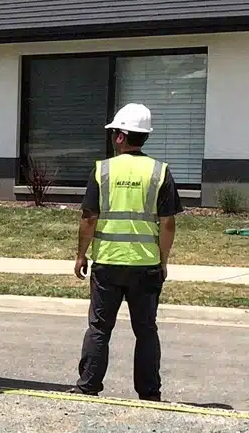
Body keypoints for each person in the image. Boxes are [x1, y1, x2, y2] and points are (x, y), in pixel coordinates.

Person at [73, 102, 180, 400]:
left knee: (98, 328)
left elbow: (89, 218)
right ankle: (149, 393)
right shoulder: (159, 172)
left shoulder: (103, 170)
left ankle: (88, 385)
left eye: (113, 133)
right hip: (146, 266)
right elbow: (167, 223)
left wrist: (82, 254)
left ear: (121, 136)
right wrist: (163, 259)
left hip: (107, 263)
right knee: (146, 330)